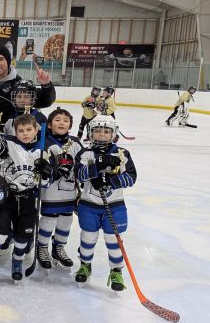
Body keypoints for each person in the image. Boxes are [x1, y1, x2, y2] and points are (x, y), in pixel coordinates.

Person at [0, 114, 52, 283]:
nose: (25, 133)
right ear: (15, 132)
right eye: (21, 130)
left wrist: (46, 172)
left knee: (23, 235)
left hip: (27, 199)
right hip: (6, 198)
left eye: (29, 130)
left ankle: (17, 261)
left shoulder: (42, 152)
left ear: (36, 130)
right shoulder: (9, 142)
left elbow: (45, 185)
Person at [74, 115, 137, 290]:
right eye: (98, 131)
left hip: (114, 205)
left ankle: (116, 270)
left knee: (113, 240)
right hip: (89, 204)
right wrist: (98, 166)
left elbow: (131, 178)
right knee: (88, 237)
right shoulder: (84, 153)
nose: (102, 134)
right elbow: (78, 175)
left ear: (113, 134)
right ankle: (85, 265)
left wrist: (110, 180)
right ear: (90, 133)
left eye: (106, 131)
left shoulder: (122, 153)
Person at [35, 108, 82, 269]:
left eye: (65, 120)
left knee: (66, 220)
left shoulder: (75, 142)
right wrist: (54, 170)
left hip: (69, 191)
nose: (62, 122)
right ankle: (41, 247)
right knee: (49, 219)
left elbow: (82, 164)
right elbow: (40, 167)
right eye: (57, 120)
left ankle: (58, 248)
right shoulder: (44, 142)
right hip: (51, 192)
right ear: (49, 125)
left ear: (70, 125)